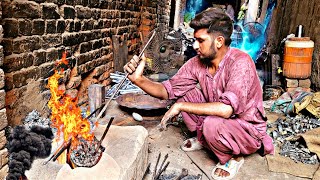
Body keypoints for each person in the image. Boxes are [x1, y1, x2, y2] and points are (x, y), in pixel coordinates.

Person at [124, 7, 274, 180]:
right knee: (183, 94)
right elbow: (167, 91)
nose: (195, 46)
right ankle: (206, 140)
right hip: (219, 121)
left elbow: (226, 110)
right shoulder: (197, 62)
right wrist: (138, 79)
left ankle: (233, 157)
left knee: (210, 123)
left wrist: (180, 107)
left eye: (200, 40)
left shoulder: (240, 62)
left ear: (218, 41)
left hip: (246, 129)